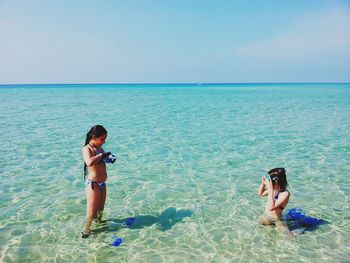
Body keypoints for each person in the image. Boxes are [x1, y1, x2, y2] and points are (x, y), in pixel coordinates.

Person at [81, 125, 111, 238]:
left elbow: (101, 160)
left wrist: (108, 158)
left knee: (100, 210)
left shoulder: (100, 149)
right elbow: (89, 162)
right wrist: (101, 155)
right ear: (94, 137)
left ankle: (100, 226)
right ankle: (86, 229)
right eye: (102, 139)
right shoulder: (86, 149)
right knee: (92, 212)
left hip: (102, 184)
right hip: (93, 184)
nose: (103, 142)